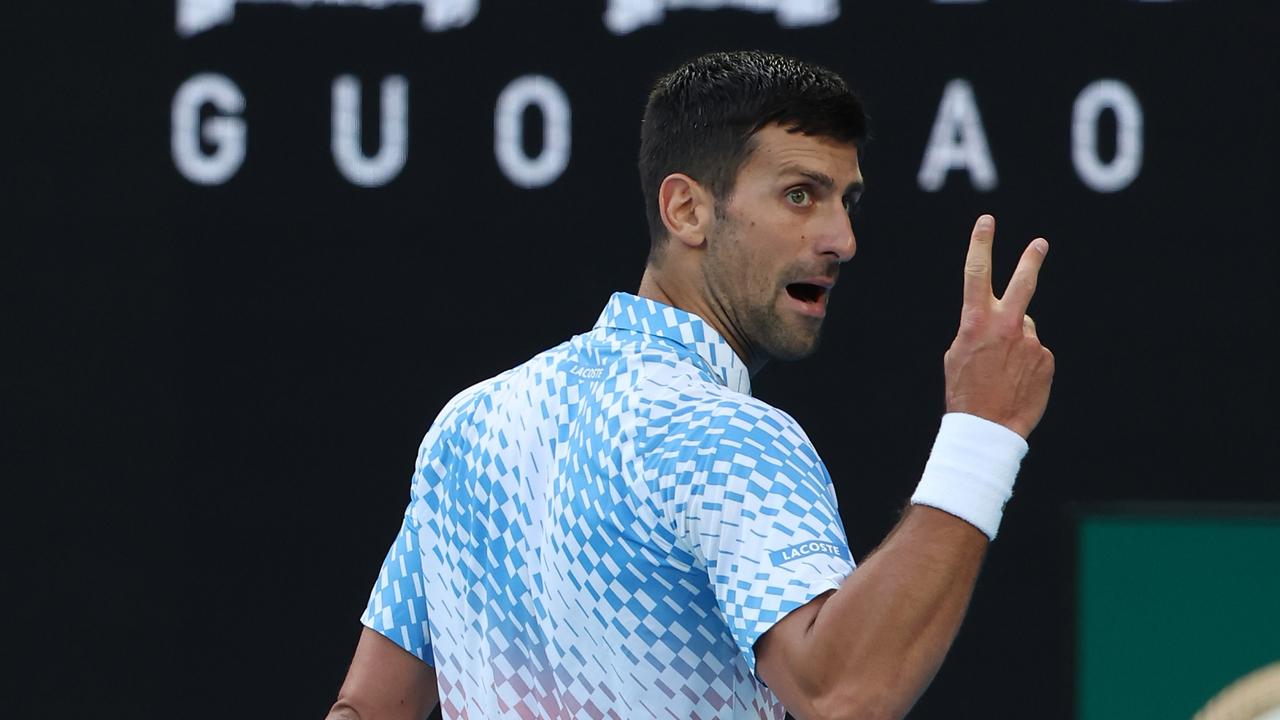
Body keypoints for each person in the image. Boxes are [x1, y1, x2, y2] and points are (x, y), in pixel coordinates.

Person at [326, 50, 1054, 720]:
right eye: (801, 195)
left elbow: (365, 710)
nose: (842, 239)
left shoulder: (470, 425)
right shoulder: (724, 436)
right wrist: (979, 433)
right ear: (687, 210)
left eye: (847, 202)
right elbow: (843, 693)